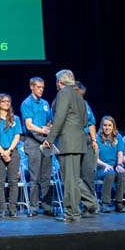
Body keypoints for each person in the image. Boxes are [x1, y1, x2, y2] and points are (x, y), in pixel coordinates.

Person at [43, 69, 98, 222]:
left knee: (69, 179)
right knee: (73, 179)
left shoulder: (64, 93)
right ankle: (77, 210)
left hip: (67, 141)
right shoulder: (78, 96)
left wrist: (50, 138)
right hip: (78, 140)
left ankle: (71, 213)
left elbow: (59, 116)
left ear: (59, 81)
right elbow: (86, 120)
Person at [21, 77, 54, 216]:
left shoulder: (45, 103)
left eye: (43, 87)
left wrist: (49, 129)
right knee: (34, 177)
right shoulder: (27, 103)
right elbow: (29, 125)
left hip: (46, 142)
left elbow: (50, 122)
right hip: (33, 142)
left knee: (46, 176)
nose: (41, 89)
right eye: (39, 87)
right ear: (32, 87)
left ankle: (47, 207)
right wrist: (43, 130)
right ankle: (33, 208)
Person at [0, 94, 22, 217]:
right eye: (4, 101)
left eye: (8, 101)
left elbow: (17, 136)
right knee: (0, 182)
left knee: (13, 181)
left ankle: (12, 209)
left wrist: (9, 151)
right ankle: (2, 208)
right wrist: (2, 152)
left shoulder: (15, 119)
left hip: (13, 152)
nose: (7, 103)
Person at [95, 116, 125, 213]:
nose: (107, 127)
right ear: (101, 126)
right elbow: (95, 158)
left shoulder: (118, 137)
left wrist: (119, 164)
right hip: (101, 168)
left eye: (109, 125)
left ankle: (119, 203)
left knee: (122, 174)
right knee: (110, 173)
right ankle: (105, 203)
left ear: (113, 127)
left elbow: (120, 153)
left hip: (114, 167)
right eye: (105, 125)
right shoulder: (97, 138)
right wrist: (105, 165)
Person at [75, 82, 100, 208]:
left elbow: (91, 123)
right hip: (74, 139)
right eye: (79, 94)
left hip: (87, 140)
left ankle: (90, 205)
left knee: (88, 173)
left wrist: (94, 140)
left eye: (82, 95)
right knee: (76, 175)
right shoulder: (68, 104)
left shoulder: (85, 105)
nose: (81, 97)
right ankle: (80, 204)